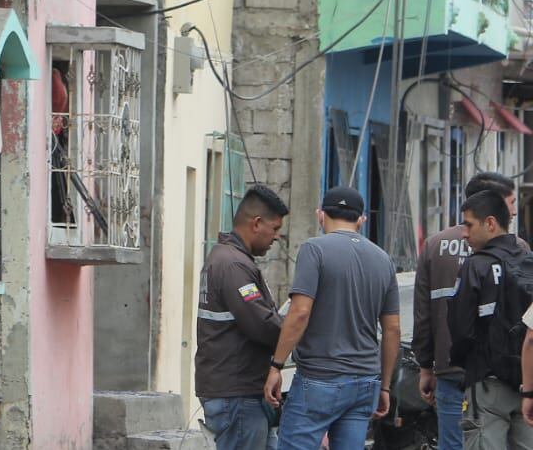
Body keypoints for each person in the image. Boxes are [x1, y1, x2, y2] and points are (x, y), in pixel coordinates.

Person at [264, 186, 400, 450]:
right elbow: (392, 329)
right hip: (364, 383)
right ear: (362, 220)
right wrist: (384, 387)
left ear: (320, 215)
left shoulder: (314, 250)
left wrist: (276, 366)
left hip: (319, 378)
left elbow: (300, 311)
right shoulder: (383, 260)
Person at [418, 172, 523, 450]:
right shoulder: (522, 252)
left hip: (461, 371)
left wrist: (425, 364)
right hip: (516, 374)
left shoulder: (434, 245)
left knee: (457, 442)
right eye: (510, 202)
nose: (513, 210)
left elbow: (425, 315)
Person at [197, 186, 291, 450]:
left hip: (237, 391)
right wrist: (296, 328)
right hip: (236, 395)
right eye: (274, 229)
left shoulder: (228, 259)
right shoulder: (233, 265)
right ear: (257, 223)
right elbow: (262, 325)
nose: (276, 237)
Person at [448, 189, 533, 450]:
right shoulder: (530, 262)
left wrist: (468, 365)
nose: (464, 233)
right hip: (528, 385)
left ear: (491, 223)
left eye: (468, 224)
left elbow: (460, 329)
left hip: (487, 384)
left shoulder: (476, 266)